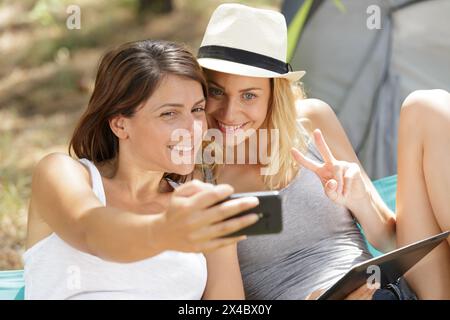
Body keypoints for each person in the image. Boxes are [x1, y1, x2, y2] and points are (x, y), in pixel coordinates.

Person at [196, 3, 450, 299]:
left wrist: (360, 199)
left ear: (273, 94)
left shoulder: (313, 120)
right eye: (216, 91)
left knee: (427, 105)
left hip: (390, 290)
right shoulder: (194, 172)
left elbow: (393, 240)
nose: (229, 113)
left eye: (249, 95)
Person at [24, 39, 260, 299]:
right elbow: (91, 231)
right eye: (169, 114)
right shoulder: (62, 173)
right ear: (120, 125)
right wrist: (165, 231)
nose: (193, 129)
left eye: (197, 110)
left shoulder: (200, 208)